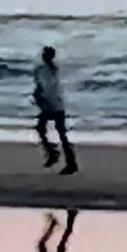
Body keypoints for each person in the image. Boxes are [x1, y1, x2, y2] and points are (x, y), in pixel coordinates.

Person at [33, 46, 78, 175]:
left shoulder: (45, 70)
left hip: (51, 104)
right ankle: (62, 157)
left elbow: (45, 88)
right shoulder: (52, 69)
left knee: (45, 129)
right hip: (56, 104)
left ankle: (54, 153)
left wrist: (42, 100)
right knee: (58, 133)